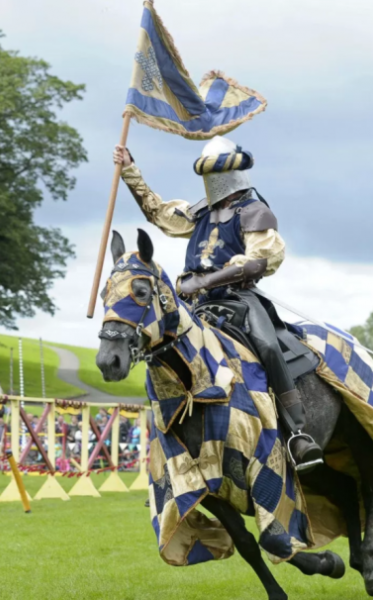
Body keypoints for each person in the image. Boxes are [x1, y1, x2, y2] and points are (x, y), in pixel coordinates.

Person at [114, 138, 322, 472]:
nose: (213, 181)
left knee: (269, 346)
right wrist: (129, 171)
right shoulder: (200, 212)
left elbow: (258, 261)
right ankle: (170, 436)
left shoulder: (255, 212)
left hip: (237, 299)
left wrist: (203, 281)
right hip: (194, 305)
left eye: (218, 172)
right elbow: (160, 213)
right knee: (162, 345)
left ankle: (297, 432)